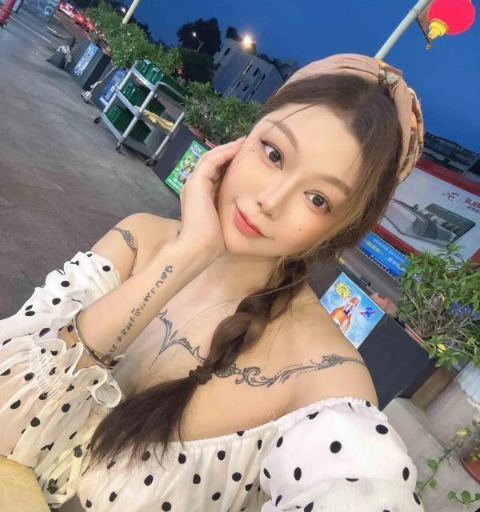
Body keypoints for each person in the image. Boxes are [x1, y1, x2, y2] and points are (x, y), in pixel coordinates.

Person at [0, 54, 425, 511]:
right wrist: (185, 256)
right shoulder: (139, 240)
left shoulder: (323, 382)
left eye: (318, 199)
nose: (270, 201)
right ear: (243, 139)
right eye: (274, 154)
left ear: (339, 231)